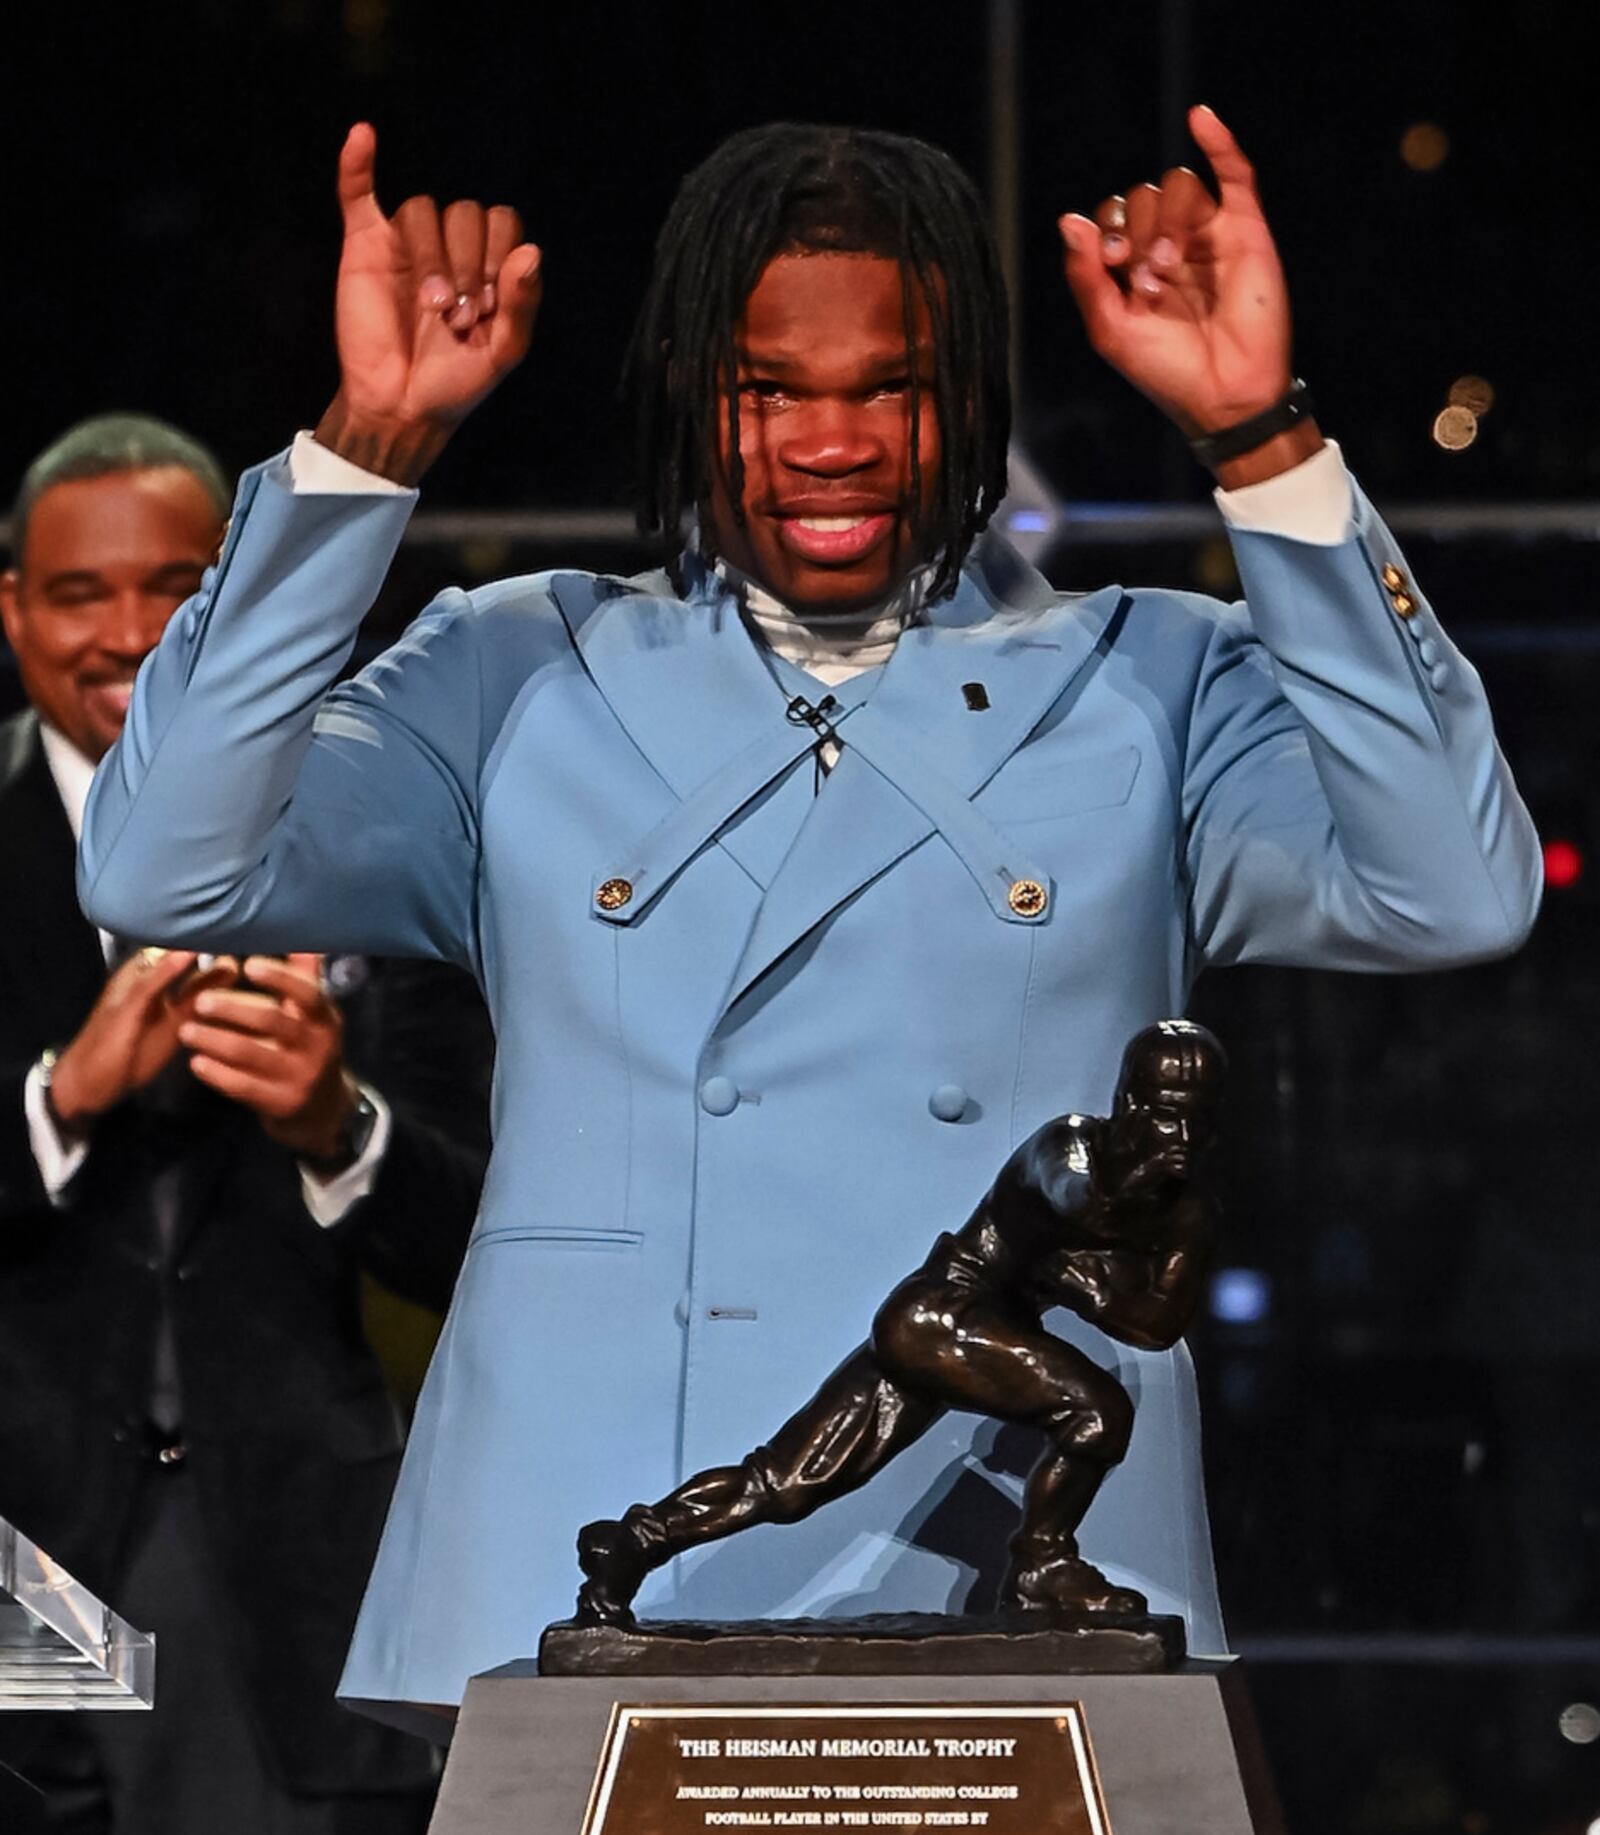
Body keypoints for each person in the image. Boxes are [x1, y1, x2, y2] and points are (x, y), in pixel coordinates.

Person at [78, 113, 1541, 1727]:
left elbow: (1452, 888)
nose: (826, 444)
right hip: (595, 1564)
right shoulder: (510, 672)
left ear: (970, 398)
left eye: (889, 388)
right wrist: (363, 450)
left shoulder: (1157, 680)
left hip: (1014, 1550)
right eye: (765, 387)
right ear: (689, 390)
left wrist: (1264, 440)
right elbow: (159, 865)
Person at [0, 414, 492, 1835]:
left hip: (265, 1576)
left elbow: (483, 1224)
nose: (128, 632)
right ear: (13, 614)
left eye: (176, 588)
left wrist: (339, 1124)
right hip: (22, 1543)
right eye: (80, 591)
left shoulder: (375, 846)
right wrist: (60, 1100)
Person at [577, 1019, 1225, 1623]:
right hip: (937, 1314)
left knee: (788, 1480)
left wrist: (1087, 1278)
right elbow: (1072, 1199)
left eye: (1201, 1122)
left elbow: (1155, 1326)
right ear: (1132, 1105)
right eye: (1170, 1119)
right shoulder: (1070, 1146)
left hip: (971, 1332)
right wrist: (1110, 1258)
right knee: (1096, 1411)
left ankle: (632, 1543)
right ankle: (1040, 1561)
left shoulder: (1190, 1208)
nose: (1186, 1141)